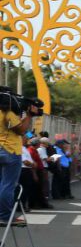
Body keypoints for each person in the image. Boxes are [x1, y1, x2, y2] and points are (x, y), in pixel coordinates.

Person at [0, 94, 35, 225]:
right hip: (10, 151)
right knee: (8, 185)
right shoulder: (8, 113)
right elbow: (21, 130)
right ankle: (5, 216)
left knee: (2, 184)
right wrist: (29, 115)